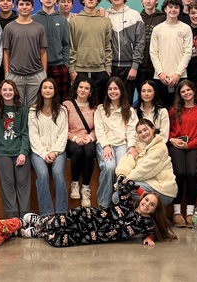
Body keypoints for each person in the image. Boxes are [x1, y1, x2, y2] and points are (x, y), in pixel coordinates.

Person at [23, 178, 176, 247]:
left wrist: (150, 238)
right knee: (66, 220)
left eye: (152, 204)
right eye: (146, 200)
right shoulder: (128, 204)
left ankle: (41, 231)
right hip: (91, 217)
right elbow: (122, 181)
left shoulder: (147, 223)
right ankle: (41, 222)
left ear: (155, 210)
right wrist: (141, 191)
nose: (147, 204)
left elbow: (153, 232)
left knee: (59, 241)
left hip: (96, 236)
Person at [167, 79, 197, 226]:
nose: (186, 93)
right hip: (176, 146)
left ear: (193, 90)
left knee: (192, 173)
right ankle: (177, 212)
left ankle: (190, 212)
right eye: (183, 91)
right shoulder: (173, 111)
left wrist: (189, 145)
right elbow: (166, 130)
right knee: (179, 173)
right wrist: (172, 140)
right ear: (179, 94)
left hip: (194, 146)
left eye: (188, 90)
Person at [0, 79, 31, 218]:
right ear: (0, 92)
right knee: (8, 185)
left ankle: (25, 219)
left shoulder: (22, 109)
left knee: (23, 185)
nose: (8, 92)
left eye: (10, 90)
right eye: (5, 90)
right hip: (3, 153)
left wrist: (23, 153)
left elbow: (25, 132)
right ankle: (12, 220)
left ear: (15, 92)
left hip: (19, 152)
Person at [94, 76, 137, 208]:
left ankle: (119, 203)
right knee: (109, 167)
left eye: (115, 89)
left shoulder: (129, 111)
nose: (112, 91)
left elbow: (132, 130)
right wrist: (106, 146)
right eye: (110, 89)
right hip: (105, 144)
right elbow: (99, 130)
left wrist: (131, 146)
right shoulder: (101, 109)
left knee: (122, 170)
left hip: (122, 144)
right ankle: (104, 205)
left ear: (121, 90)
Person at [29, 77, 69, 215]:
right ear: (40, 90)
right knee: (43, 174)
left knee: (58, 173)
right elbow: (33, 136)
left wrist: (54, 152)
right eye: (45, 87)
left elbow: (63, 134)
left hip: (57, 150)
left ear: (55, 91)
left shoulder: (62, 110)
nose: (47, 90)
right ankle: (47, 214)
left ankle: (61, 213)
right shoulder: (33, 111)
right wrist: (44, 153)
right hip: (38, 151)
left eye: (50, 88)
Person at [115, 119, 177, 206]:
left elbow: (144, 171)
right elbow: (127, 160)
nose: (143, 134)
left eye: (145, 130)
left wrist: (124, 181)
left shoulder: (160, 148)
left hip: (162, 189)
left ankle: (138, 214)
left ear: (153, 129)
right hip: (147, 184)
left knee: (117, 196)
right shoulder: (139, 145)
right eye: (140, 132)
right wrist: (122, 175)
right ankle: (136, 214)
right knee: (118, 195)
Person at [3, 0, 48, 105]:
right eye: (21, 4)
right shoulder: (9, 28)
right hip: (14, 75)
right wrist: (7, 74)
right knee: (16, 108)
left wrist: (44, 73)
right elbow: (6, 52)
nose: (24, 7)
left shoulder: (39, 28)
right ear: (17, 7)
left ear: (32, 8)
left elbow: (43, 52)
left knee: (34, 108)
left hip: (36, 75)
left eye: (27, 4)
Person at [68, 0, 112, 95]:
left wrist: (108, 69)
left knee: (99, 103)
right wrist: (72, 69)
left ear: (98, 0)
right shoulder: (74, 21)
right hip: (79, 71)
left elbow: (108, 46)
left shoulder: (105, 21)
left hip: (101, 71)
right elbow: (71, 47)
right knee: (81, 103)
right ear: (83, 0)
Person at [149, 0, 192, 109]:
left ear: (180, 10)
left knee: (179, 109)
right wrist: (160, 73)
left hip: (180, 76)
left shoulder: (186, 28)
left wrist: (178, 73)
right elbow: (153, 53)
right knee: (160, 109)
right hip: (160, 77)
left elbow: (187, 53)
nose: (173, 10)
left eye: (176, 7)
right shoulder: (158, 29)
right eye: (170, 7)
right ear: (165, 9)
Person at [105, 0, 143, 104]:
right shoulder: (104, 16)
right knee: (110, 102)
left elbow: (140, 43)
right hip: (110, 67)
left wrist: (134, 66)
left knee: (127, 102)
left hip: (129, 67)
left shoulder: (135, 15)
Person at [33, 0, 71, 102]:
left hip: (59, 66)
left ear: (55, 0)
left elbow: (66, 44)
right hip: (38, 67)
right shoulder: (33, 19)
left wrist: (65, 64)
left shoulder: (62, 20)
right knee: (39, 100)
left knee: (60, 101)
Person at [63, 76, 97, 208]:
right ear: (76, 88)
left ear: (91, 91)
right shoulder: (67, 105)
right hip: (71, 138)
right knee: (77, 151)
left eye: (86, 88)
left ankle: (86, 189)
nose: (83, 90)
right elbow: (61, 127)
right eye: (81, 87)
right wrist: (75, 138)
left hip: (87, 138)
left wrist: (90, 137)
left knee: (89, 152)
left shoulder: (95, 108)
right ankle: (75, 184)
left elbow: (98, 128)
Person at [136, 0, 166, 96]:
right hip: (141, 66)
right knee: (143, 95)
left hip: (158, 67)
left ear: (156, 1)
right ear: (142, 1)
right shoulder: (136, 17)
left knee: (158, 96)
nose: (148, 1)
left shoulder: (164, 18)